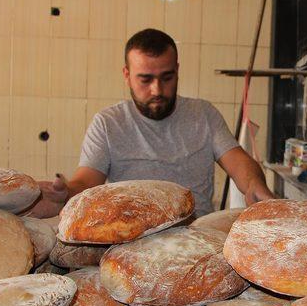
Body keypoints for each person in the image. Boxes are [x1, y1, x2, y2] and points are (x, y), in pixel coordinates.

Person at [29, 29, 274, 218]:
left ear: (177, 70)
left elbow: (238, 161)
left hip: (197, 239)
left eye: (166, 77)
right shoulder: (108, 123)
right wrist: (64, 193)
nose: (157, 90)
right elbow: (85, 182)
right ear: (127, 75)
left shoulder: (204, 115)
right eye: (145, 79)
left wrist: (254, 184)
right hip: (129, 239)